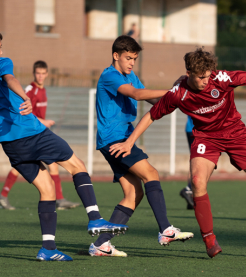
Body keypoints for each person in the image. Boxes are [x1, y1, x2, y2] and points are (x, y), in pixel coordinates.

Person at [0, 26, 128, 261]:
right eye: (1, 46)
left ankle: (48, 249)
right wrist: (25, 96)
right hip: (30, 132)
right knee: (77, 165)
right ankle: (95, 218)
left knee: (46, 189)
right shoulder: (0, 62)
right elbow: (10, 79)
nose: (2, 49)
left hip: (10, 143)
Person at [109, 48, 246, 258]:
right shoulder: (178, 93)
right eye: (201, 77)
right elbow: (151, 115)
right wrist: (129, 142)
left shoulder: (221, 78)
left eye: (208, 76)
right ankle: (209, 238)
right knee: (197, 182)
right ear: (189, 73)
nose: (206, 81)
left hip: (235, 133)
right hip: (206, 138)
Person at [88, 35, 193, 257]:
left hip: (118, 139)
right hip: (115, 140)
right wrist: (172, 92)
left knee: (133, 193)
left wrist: (177, 98)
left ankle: (101, 244)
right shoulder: (110, 76)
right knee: (151, 174)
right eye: (128, 58)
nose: (131, 63)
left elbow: (152, 100)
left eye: (134, 59)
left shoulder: (130, 75)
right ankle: (165, 230)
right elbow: (137, 94)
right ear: (115, 56)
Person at [0, 60, 80, 211]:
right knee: (37, 165)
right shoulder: (29, 90)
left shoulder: (43, 90)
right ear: (34, 74)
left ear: (47, 74)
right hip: (29, 132)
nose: (40, 76)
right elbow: (24, 111)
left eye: (43, 73)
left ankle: (4, 195)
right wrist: (43, 121)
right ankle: (58, 199)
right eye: (37, 73)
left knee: (47, 166)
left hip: (37, 131)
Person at [179, 115, 195, 209]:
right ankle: (189, 189)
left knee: (194, 160)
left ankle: (191, 195)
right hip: (199, 129)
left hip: (190, 128)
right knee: (202, 162)